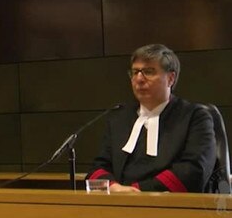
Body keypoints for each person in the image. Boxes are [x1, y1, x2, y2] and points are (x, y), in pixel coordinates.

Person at [86, 44, 216, 192]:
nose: (139, 79)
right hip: (118, 205)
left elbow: (194, 170)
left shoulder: (195, 117)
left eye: (148, 71)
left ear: (170, 78)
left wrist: (138, 191)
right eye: (135, 72)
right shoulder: (119, 119)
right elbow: (98, 168)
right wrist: (114, 188)